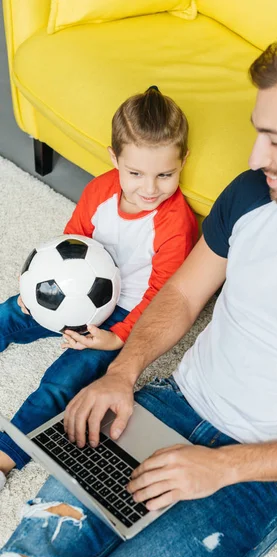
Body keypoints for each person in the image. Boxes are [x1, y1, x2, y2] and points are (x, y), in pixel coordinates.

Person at [1, 24, 277, 557]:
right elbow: (185, 294)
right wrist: (122, 372)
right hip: (173, 406)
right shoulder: (255, 193)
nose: (255, 155)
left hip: (259, 478)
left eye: (276, 140)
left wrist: (222, 467)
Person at [0, 86, 198, 491]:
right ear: (114, 159)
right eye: (136, 173)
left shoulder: (175, 223)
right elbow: (72, 240)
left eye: (166, 174)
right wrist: (39, 291)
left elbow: (164, 295)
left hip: (126, 313)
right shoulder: (101, 191)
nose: (150, 188)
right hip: (76, 291)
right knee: (11, 313)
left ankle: (6, 456)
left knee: (63, 382)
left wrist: (117, 339)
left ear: (183, 162)